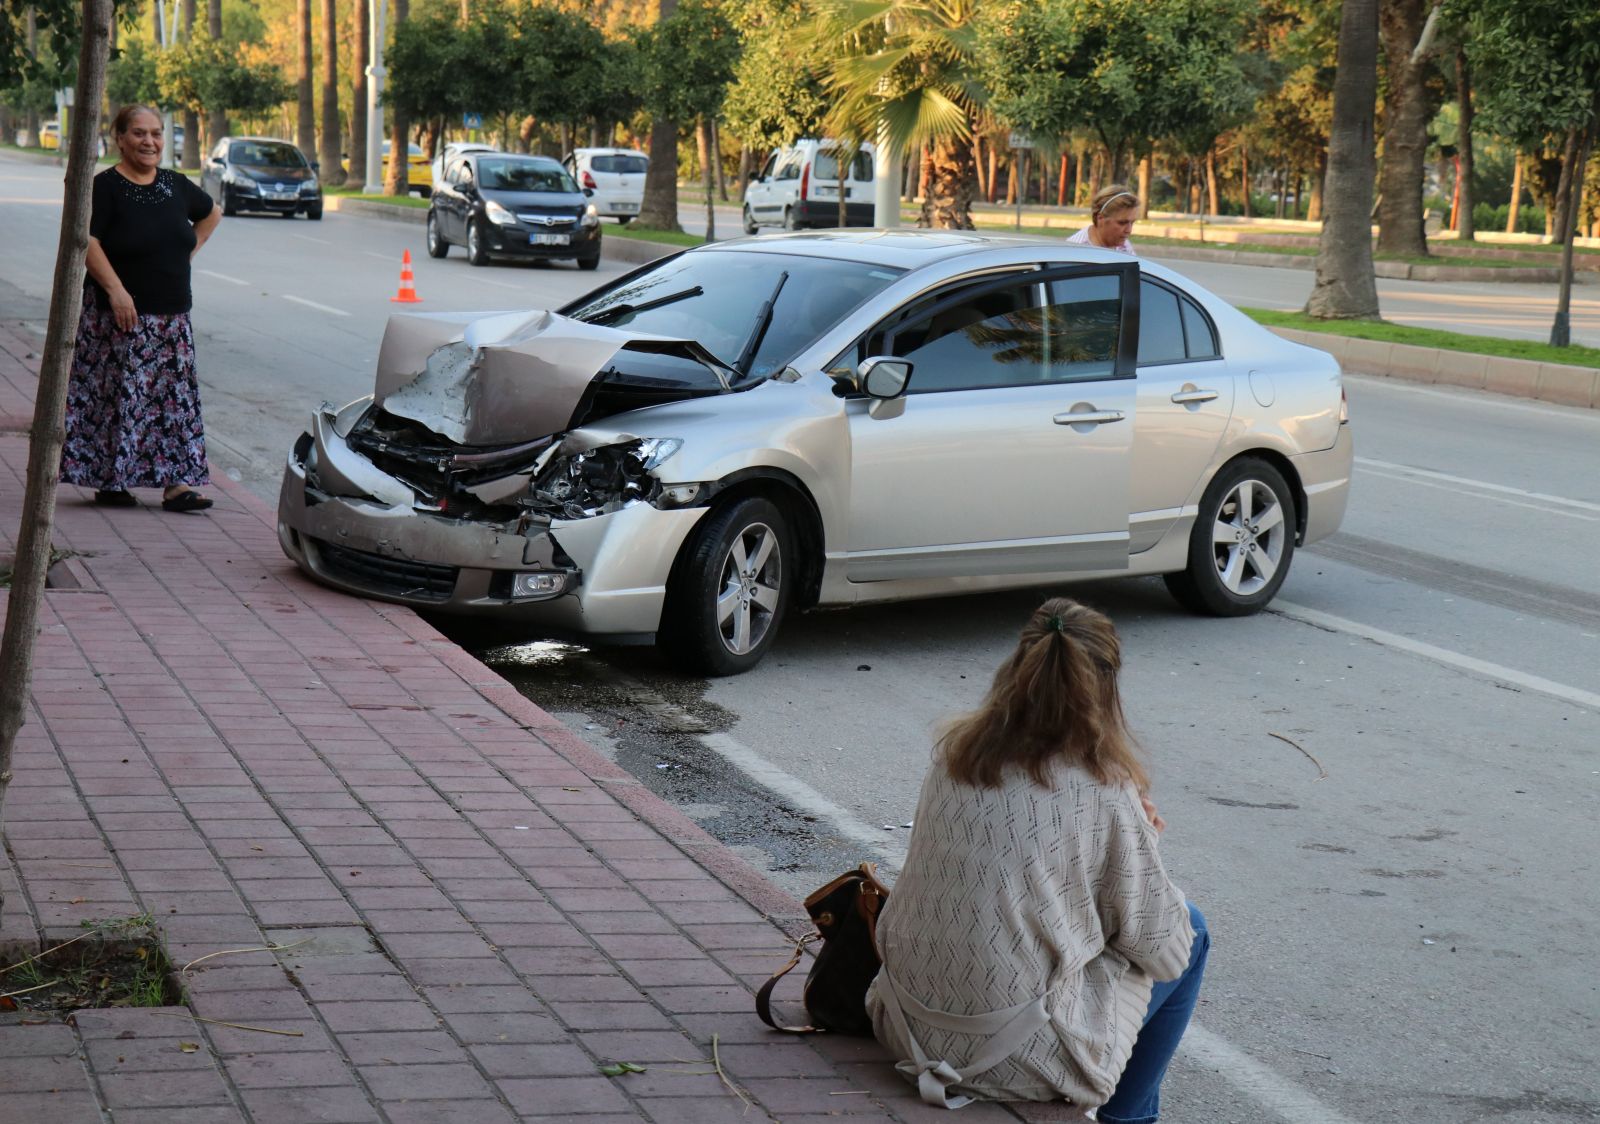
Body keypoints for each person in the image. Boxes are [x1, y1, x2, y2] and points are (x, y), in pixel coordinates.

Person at [866, 598, 1207, 1122]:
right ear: (1106, 690)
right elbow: (1162, 950)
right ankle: (1127, 1119)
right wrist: (1143, 840)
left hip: (905, 1025)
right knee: (1194, 931)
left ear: (1016, 668)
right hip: (1010, 1054)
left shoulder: (955, 758)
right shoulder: (1103, 788)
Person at [61, 104, 221, 512]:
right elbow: (87, 241)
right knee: (118, 400)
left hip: (172, 317)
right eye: (138, 133)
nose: (149, 141)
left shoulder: (174, 185)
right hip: (118, 317)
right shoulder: (105, 186)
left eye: (155, 133)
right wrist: (116, 290)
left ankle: (176, 485)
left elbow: (211, 214)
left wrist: (189, 252)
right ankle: (112, 481)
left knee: (173, 402)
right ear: (119, 138)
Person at [1067, 185, 1140, 256]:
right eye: (1122, 223)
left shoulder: (1124, 246)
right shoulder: (1075, 250)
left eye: (1132, 222)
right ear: (1100, 218)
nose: (1129, 230)